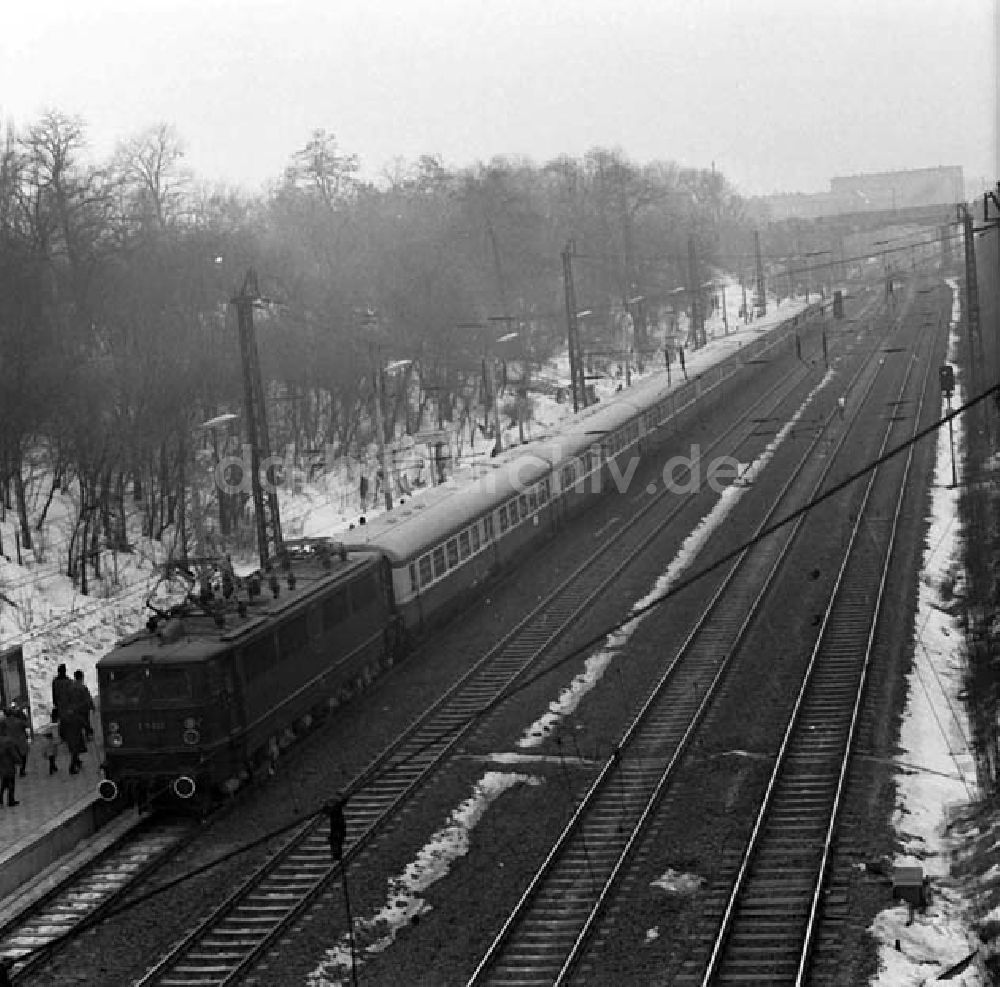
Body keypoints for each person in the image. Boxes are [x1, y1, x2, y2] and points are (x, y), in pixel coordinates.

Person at [4, 702, 29, 777]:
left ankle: (12, 770)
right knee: (23, 756)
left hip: (10, 741)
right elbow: (26, 725)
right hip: (20, 741)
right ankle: (22, 770)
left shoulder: (4, 722)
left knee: (11, 756)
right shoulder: (18, 721)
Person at [72, 670, 96, 740]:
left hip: (75, 709)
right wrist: (92, 706)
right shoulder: (83, 687)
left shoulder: (71, 687)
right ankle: (89, 735)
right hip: (84, 708)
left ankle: (78, 738)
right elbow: (88, 698)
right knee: (86, 722)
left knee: (77, 723)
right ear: (82, 677)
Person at [0, 721, 19, 806]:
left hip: (1, 764)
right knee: (11, 782)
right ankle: (10, 800)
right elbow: (13, 753)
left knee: (4, 781)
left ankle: (0, 798)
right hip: (8, 763)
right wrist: (18, 760)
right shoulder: (7, 741)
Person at [52, 664, 73, 739]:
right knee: (68, 720)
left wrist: (55, 703)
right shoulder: (69, 681)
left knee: (62, 720)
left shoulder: (55, 681)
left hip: (60, 704)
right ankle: (68, 734)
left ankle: (63, 735)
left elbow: (54, 694)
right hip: (67, 704)